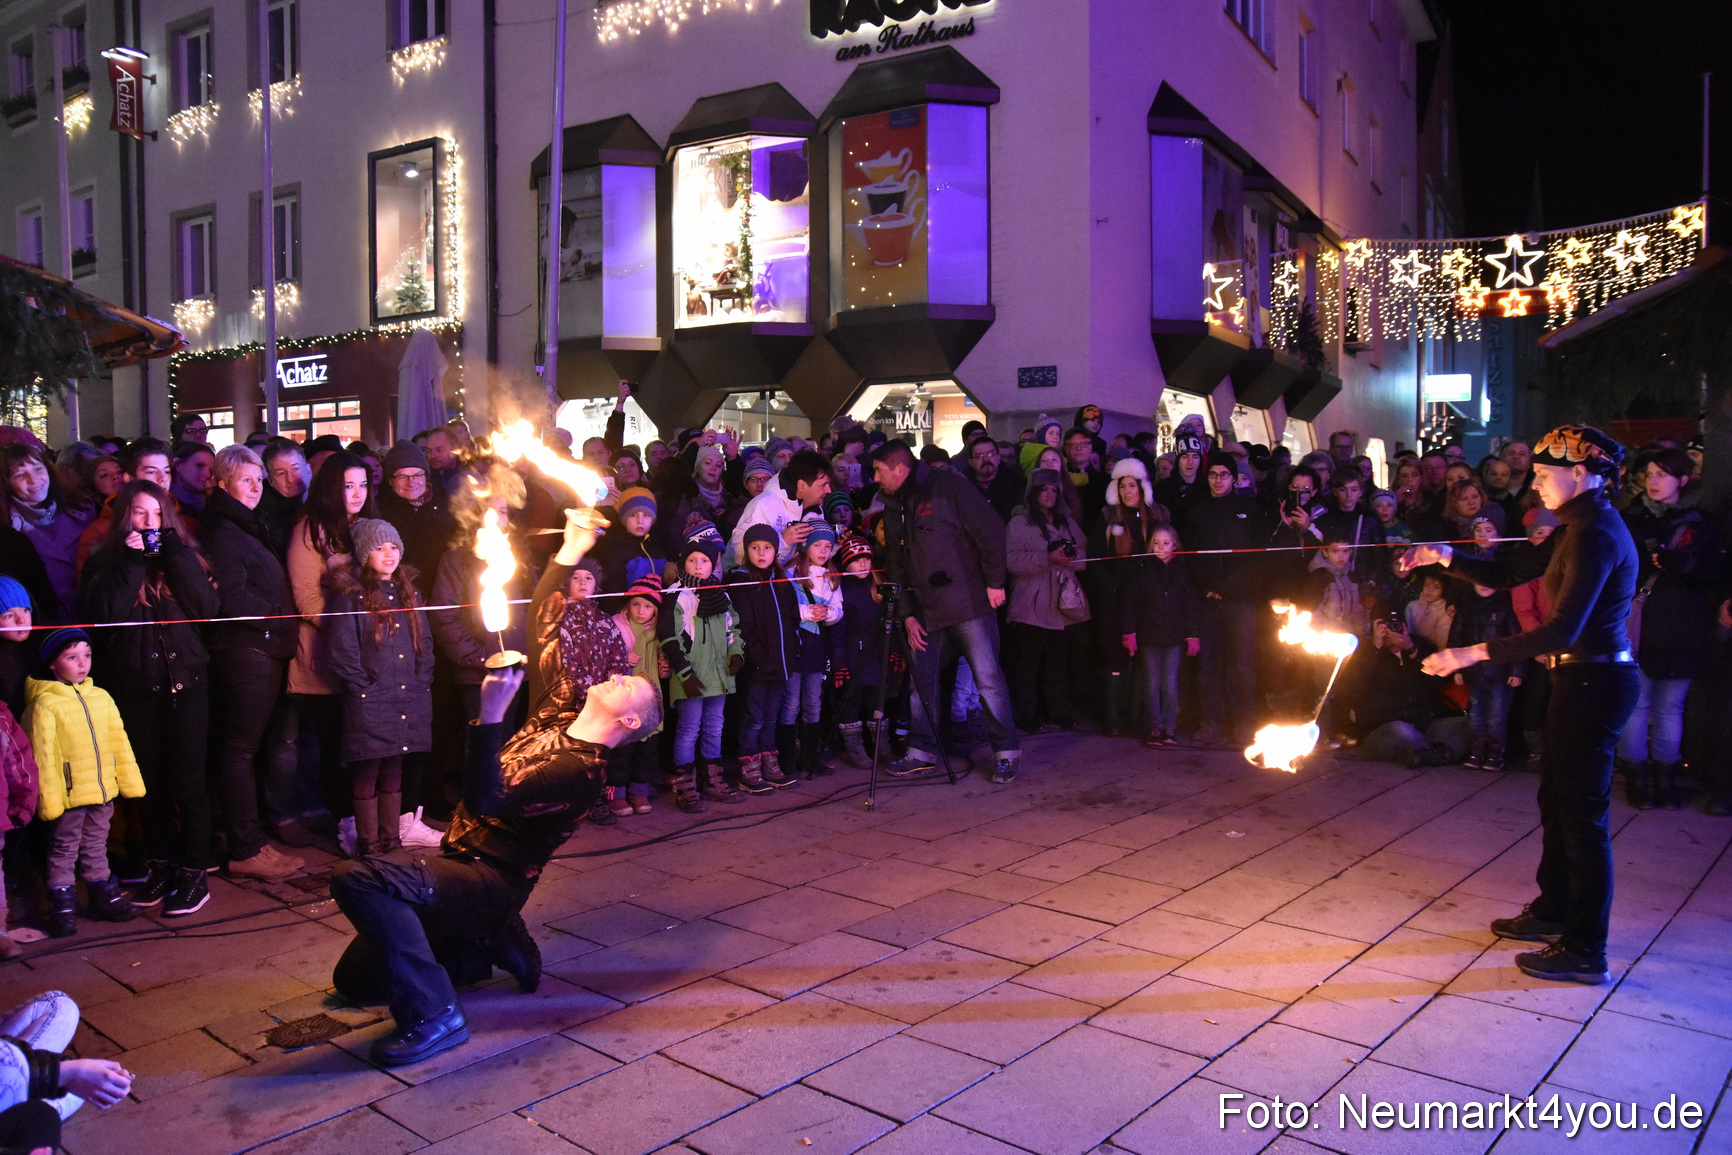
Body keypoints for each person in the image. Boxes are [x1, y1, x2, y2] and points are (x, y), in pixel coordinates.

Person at [330, 662, 661, 1067]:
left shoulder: (581, 771)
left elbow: (487, 797)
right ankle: (478, 948)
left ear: (630, 719)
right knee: (353, 981)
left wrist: (490, 715)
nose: (622, 675)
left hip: (488, 883)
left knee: (361, 878)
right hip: (455, 866)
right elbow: (553, 641)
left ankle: (436, 1017)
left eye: (633, 685)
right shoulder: (555, 723)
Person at [1403, 424, 1639, 985]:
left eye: (1543, 474)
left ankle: (1586, 948)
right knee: (1556, 803)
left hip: (1595, 683)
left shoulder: (1597, 533)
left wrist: (1470, 653)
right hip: (1577, 683)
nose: (1535, 485)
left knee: (1583, 817)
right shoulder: (1576, 527)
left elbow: (1563, 629)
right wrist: (1443, 555)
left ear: (1579, 473)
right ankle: (1555, 909)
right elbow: (1510, 572)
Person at [79, 481, 220, 916]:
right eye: (139, 513)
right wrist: (131, 559)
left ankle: (195, 872)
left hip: (187, 682)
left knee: (189, 783)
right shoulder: (106, 562)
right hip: (136, 685)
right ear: (125, 518)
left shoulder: (186, 555)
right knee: (149, 786)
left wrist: (174, 555)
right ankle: (161, 866)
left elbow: (207, 608)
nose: (148, 522)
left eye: (156, 514)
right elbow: (104, 615)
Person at [871, 440, 1020, 782]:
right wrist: (906, 614)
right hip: (924, 609)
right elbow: (895, 561)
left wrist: (996, 582)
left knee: (988, 680)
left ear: (899, 468)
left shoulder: (948, 486)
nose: (874, 477)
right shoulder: (892, 504)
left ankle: (1007, 752)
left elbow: (991, 530)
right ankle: (921, 751)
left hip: (968, 602)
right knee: (921, 681)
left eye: (879, 470)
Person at [201, 446, 305, 877]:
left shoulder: (246, 524)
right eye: (247, 480)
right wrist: (280, 615)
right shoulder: (224, 530)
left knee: (248, 750)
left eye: (259, 480)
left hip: (263, 648)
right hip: (247, 651)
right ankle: (246, 848)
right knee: (238, 750)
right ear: (223, 484)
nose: (257, 488)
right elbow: (231, 596)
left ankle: (251, 839)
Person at [322, 520, 435, 858]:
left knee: (395, 765)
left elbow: (424, 644)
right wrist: (363, 688)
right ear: (364, 553)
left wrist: (421, 679)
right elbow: (342, 650)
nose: (389, 554)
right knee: (368, 766)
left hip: (407, 693)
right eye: (380, 548)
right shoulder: (352, 596)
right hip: (371, 697)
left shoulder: (408, 593)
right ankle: (369, 843)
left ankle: (391, 840)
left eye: (394, 547)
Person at [1616, 448, 1719, 809]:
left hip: (1682, 624)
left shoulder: (1700, 522)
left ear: (1683, 479)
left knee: (1669, 707)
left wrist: (1684, 565)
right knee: (1638, 704)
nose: (1654, 481)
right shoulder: (1629, 519)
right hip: (1641, 623)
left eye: (1662, 474)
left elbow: (1711, 574)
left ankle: (1664, 779)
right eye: (1650, 474)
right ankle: (1638, 779)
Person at [25, 629, 142, 936]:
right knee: (64, 848)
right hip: (69, 796)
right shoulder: (45, 704)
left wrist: (128, 781)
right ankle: (62, 904)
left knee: (96, 845)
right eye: (72, 657)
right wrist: (50, 801)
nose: (82, 663)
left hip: (101, 791)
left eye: (87, 655)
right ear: (52, 663)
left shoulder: (101, 697)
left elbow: (119, 742)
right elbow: (42, 757)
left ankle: (101, 894)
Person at [1182, 452, 1270, 746]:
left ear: (1234, 478)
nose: (1218, 480)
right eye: (1213, 474)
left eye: (1224, 475)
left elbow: (1257, 559)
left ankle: (1243, 723)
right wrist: (1208, 586)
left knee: (1242, 665)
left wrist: (1230, 587)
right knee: (1208, 664)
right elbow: (1191, 555)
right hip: (1207, 600)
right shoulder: (1197, 511)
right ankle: (1211, 721)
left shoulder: (1251, 511)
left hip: (1241, 600)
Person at [1005, 469, 1088, 736]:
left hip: (1061, 604)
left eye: (1054, 490)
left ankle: (1058, 712)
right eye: (1044, 489)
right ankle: (1026, 715)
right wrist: (1048, 558)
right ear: (1033, 492)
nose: (1050, 494)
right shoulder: (1018, 523)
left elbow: (1084, 554)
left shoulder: (1067, 523)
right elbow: (1013, 562)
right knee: (1028, 665)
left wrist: (1071, 558)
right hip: (1030, 604)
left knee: (1057, 662)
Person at [729, 522, 799, 794]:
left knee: (771, 717)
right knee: (754, 716)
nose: (761, 553)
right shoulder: (741, 581)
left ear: (775, 551)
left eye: (767, 548)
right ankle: (749, 766)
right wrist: (756, 655)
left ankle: (770, 762)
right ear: (746, 550)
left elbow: (793, 619)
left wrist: (794, 648)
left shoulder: (781, 582)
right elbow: (743, 625)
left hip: (781, 663)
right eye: (755, 547)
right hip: (758, 664)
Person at [1120, 524, 1202, 747]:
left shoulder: (1182, 571)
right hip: (1149, 636)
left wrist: (1192, 635)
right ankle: (1154, 727)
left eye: (1165, 543)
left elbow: (1191, 606)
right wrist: (1130, 632)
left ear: (1174, 545)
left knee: (1170, 683)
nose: (1160, 547)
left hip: (1174, 637)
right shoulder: (1143, 570)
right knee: (1152, 683)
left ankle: (1170, 727)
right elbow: (1131, 604)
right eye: (1156, 543)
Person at [3, 445, 93, 622]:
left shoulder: (86, 509)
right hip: (48, 630)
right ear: (6, 483)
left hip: (99, 621)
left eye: (38, 469)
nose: (33, 479)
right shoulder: (8, 535)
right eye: (20, 475)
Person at [782, 520, 843, 779]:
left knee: (813, 702)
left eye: (828, 546)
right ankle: (786, 759)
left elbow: (839, 609)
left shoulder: (832, 577)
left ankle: (810, 757)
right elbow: (783, 607)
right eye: (817, 544)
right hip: (797, 645)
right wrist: (807, 612)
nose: (823, 551)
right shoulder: (791, 573)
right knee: (791, 703)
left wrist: (828, 613)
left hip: (817, 647)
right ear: (806, 546)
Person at [1448, 581, 1523, 771]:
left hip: (1499, 671)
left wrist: (1516, 671)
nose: (1484, 585)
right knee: (1476, 714)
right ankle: (1477, 750)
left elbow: (1516, 640)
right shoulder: (1466, 605)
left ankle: (1495, 754)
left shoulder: (1505, 606)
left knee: (1496, 715)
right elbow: (1456, 637)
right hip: (1473, 671)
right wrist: (1456, 667)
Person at [375, 441, 458, 599]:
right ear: (390, 480)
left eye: (417, 475)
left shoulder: (444, 504)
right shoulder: (379, 511)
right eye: (402, 477)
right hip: (398, 597)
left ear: (426, 476)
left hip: (441, 594)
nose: (411, 482)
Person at [726, 449, 832, 569]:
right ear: (801, 485)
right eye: (823, 485)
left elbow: (811, 560)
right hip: (748, 580)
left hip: (785, 581)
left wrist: (833, 545)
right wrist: (782, 541)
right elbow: (739, 553)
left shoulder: (814, 510)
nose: (829, 490)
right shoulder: (764, 504)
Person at [963, 437, 1022, 522]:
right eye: (979, 456)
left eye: (990, 454)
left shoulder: (1017, 485)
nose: (986, 459)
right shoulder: (962, 485)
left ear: (998, 457)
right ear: (971, 462)